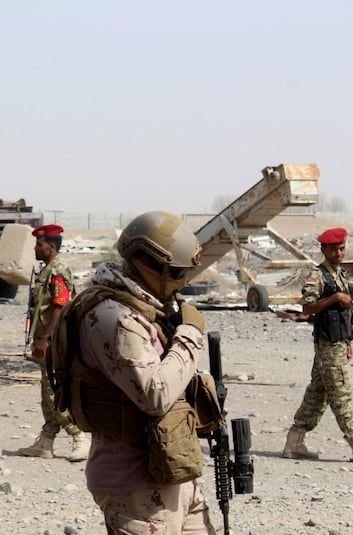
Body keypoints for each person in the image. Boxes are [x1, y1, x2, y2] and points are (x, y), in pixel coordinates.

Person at [77, 211, 216, 533]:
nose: (184, 282)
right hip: (134, 486)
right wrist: (190, 335)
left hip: (171, 471)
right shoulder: (115, 318)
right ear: (144, 260)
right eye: (178, 272)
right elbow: (154, 395)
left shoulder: (147, 309)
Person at [282, 227, 353, 464]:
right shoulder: (318, 276)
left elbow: (347, 311)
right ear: (324, 250)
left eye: (342, 248)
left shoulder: (340, 275)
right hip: (327, 346)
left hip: (337, 343)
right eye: (333, 249)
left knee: (317, 394)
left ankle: (294, 442)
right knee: (341, 396)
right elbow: (307, 308)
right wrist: (334, 298)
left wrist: (348, 341)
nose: (339, 253)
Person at [18, 223, 91, 462]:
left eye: (39, 245)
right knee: (45, 392)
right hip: (44, 340)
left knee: (53, 392)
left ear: (50, 246)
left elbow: (61, 306)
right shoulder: (46, 270)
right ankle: (46, 440)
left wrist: (47, 339)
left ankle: (79, 435)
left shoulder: (57, 270)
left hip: (52, 342)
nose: (36, 249)